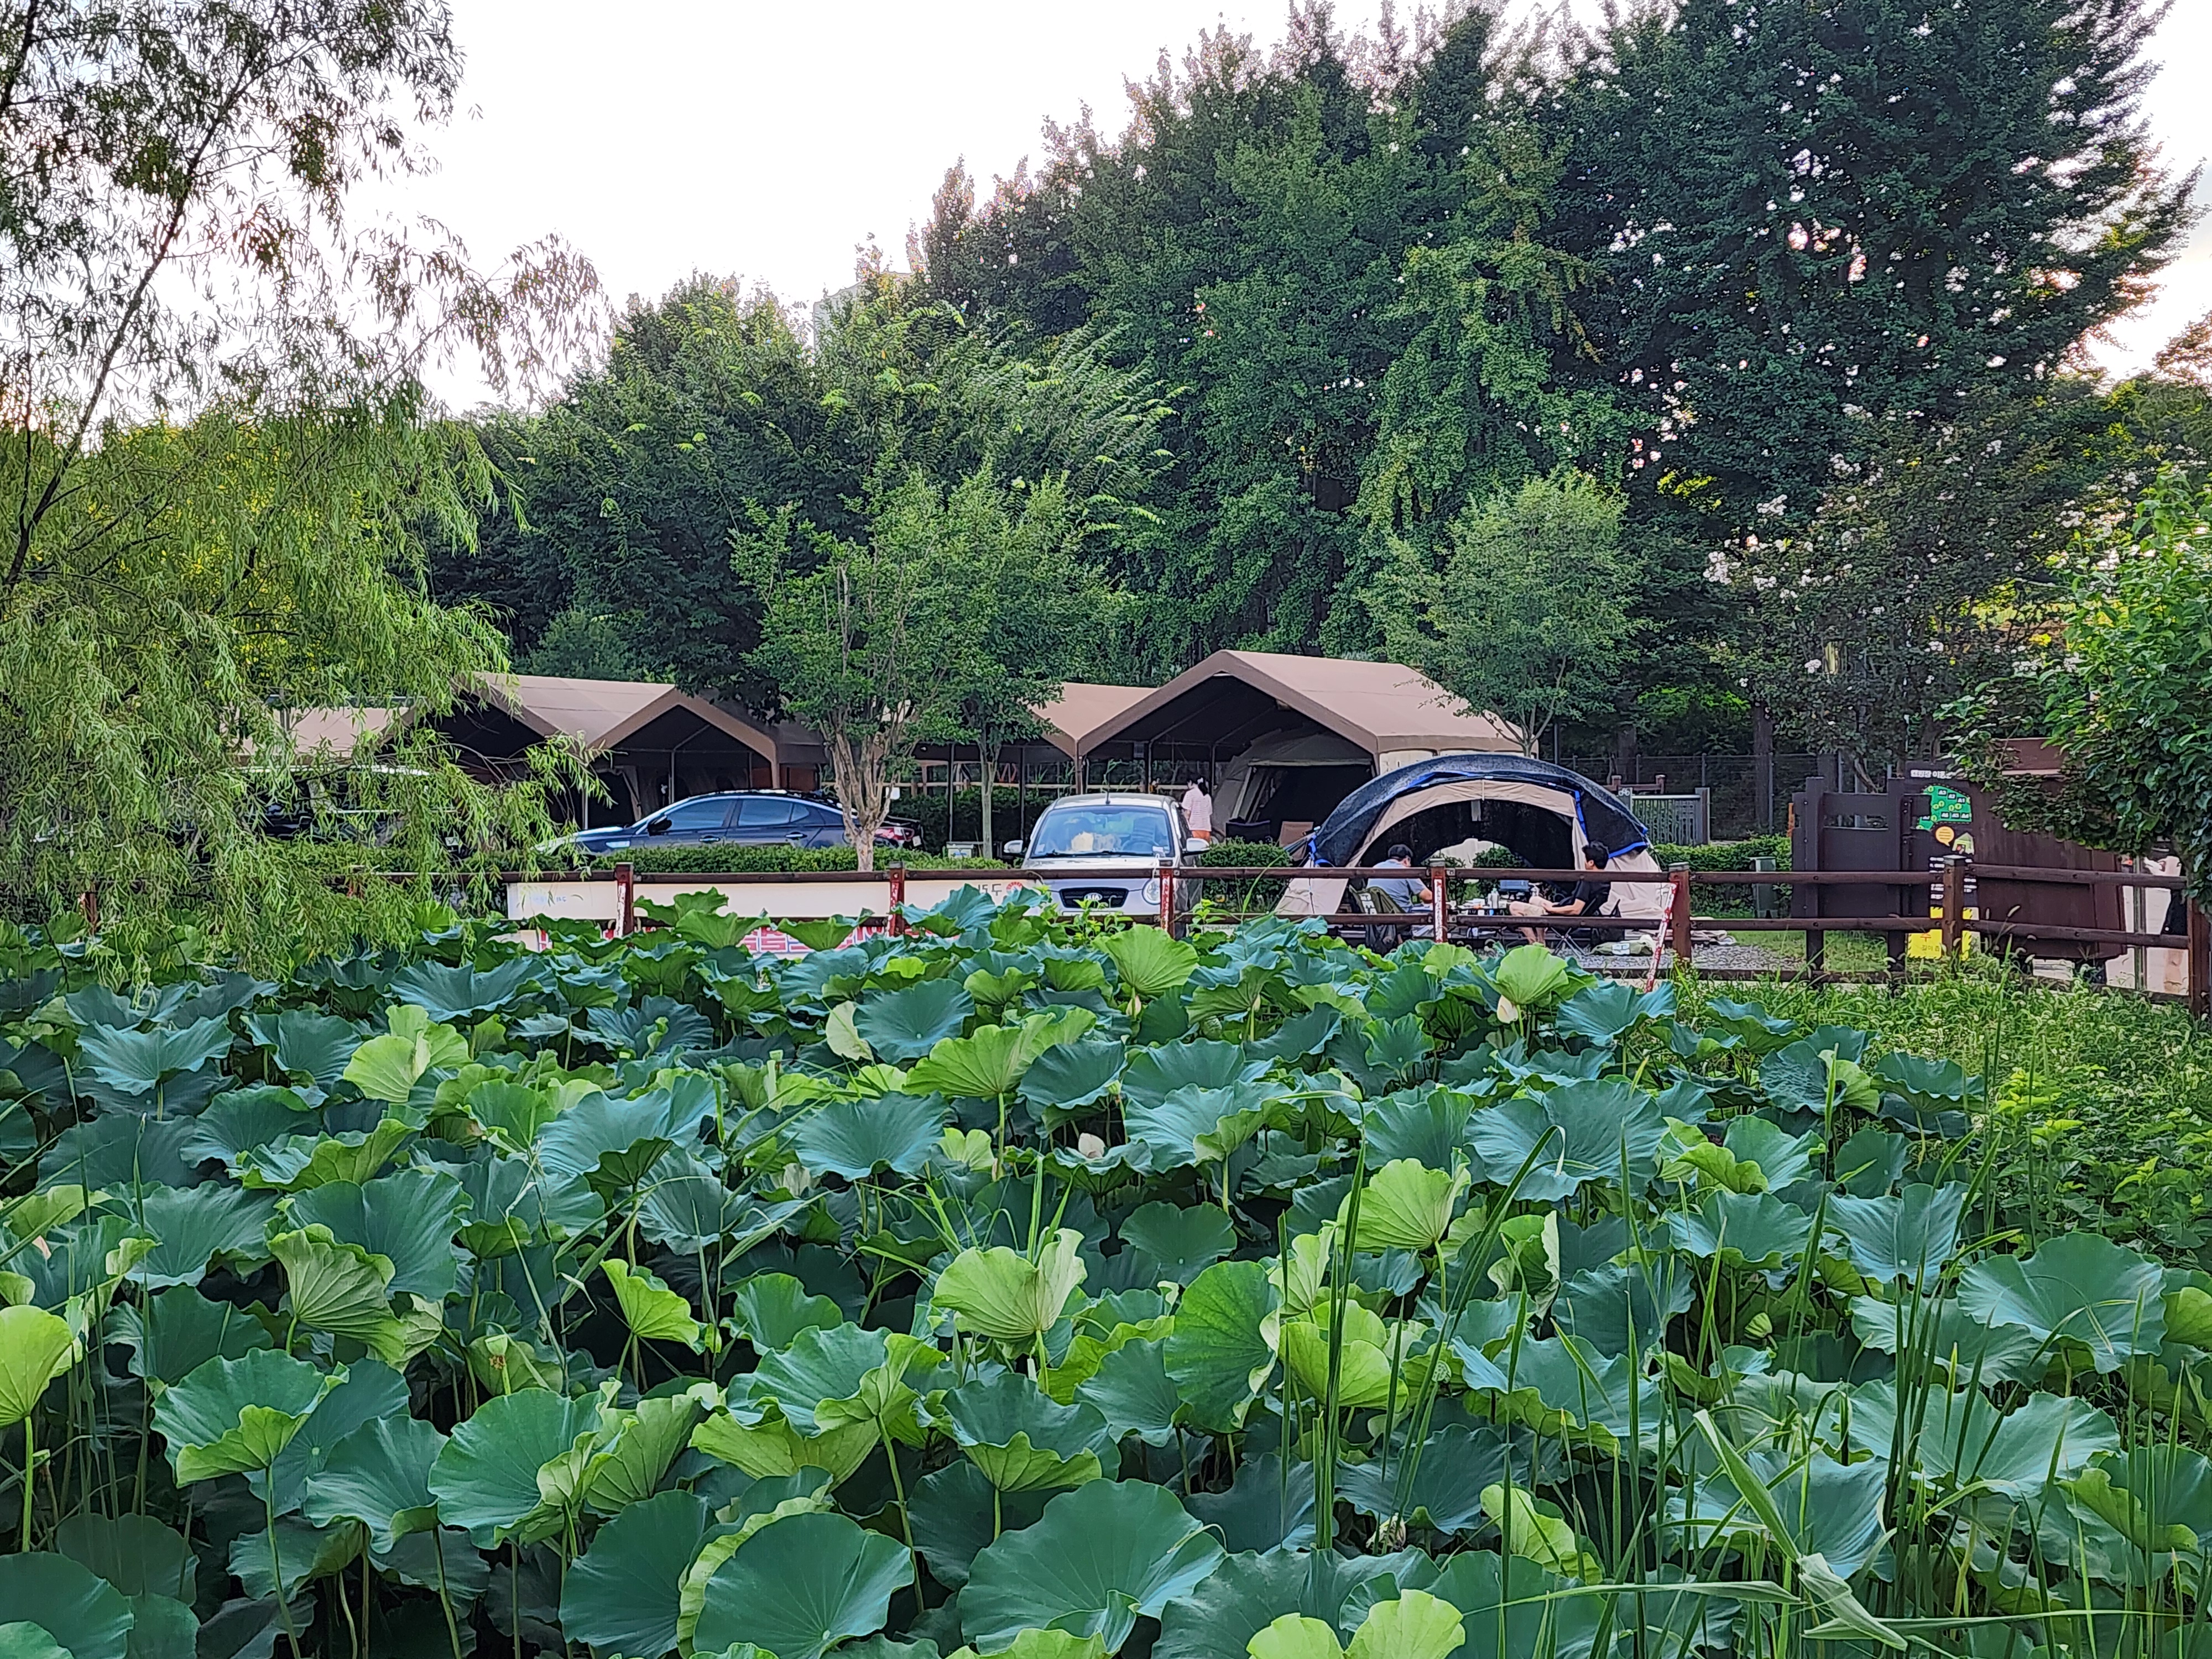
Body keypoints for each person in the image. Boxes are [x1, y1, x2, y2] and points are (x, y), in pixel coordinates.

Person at [1509, 842, 1614, 947]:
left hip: (1564, 919)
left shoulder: (1587, 880)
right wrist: (1555, 906)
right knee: (1534, 900)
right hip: (1569, 914)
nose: (1584, 862)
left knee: (1514, 907)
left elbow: (1576, 910)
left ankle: (1534, 943)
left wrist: (1552, 910)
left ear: (1591, 862)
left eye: (1585, 859)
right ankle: (1541, 940)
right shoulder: (1605, 882)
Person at [1180, 775, 1213, 845]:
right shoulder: (1207, 796)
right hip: (1206, 830)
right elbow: (1209, 813)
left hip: (1194, 829)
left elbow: (1187, 813)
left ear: (1190, 782)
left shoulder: (1190, 794)